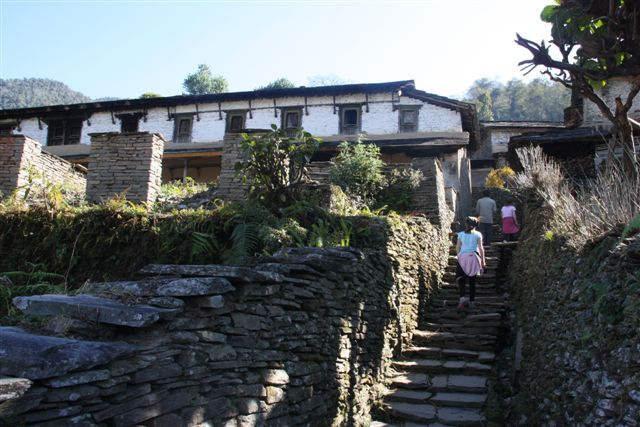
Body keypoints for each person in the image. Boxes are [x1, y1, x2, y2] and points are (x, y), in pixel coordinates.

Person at [456, 216, 486, 311]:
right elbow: (481, 248)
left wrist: (459, 256)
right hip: (473, 257)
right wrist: (483, 261)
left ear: (466, 224)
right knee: (472, 282)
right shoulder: (478, 234)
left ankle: (462, 299)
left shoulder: (460, 234)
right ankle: (472, 302)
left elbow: (457, 247)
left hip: (463, 257)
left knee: (461, 279)